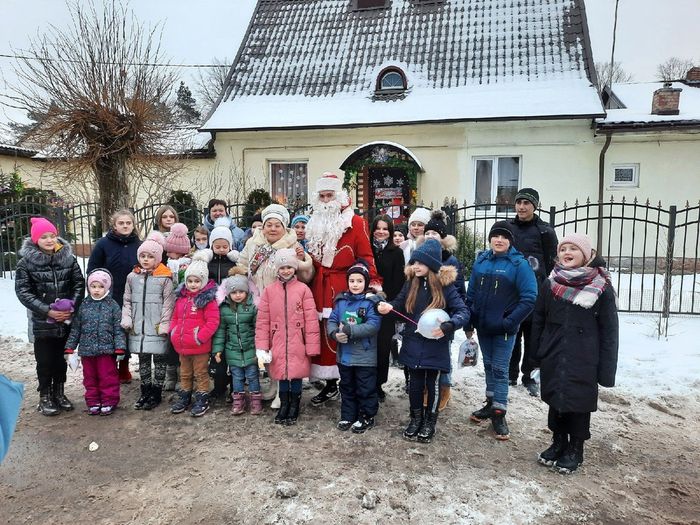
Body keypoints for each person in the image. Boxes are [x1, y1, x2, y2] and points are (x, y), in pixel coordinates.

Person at [530, 233, 618, 474]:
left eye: (574, 249)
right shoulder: (551, 283)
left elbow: (610, 331)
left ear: (588, 255)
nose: (567, 253)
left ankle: (575, 448)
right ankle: (558, 442)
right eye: (563, 249)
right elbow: (539, 319)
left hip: (585, 356)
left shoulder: (601, 287)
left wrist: (607, 370)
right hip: (555, 352)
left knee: (578, 402)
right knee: (556, 398)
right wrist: (536, 354)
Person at [378, 239, 469, 444]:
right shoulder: (411, 283)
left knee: (432, 383)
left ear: (431, 264)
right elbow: (399, 305)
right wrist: (388, 307)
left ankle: (429, 422)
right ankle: (416, 419)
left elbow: (463, 311)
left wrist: (448, 326)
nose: (415, 266)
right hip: (413, 340)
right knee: (415, 384)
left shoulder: (446, 286)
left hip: (436, 342)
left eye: (420, 263)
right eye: (414, 262)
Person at [305, 172, 381, 405]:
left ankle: (350, 382)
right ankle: (329, 383)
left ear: (339, 196)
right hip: (319, 285)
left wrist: (371, 283)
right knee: (323, 331)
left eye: (330, 195)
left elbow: (366, 256)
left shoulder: (355, 222)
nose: (326, 200)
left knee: (346, 330)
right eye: (323, 196)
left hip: (345, 287)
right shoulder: (313, 223)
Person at [229, 203, 313, 407]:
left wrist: (302, 261)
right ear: (263, 226)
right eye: (269, 224)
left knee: (283, 349)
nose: (273, 228)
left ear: (284, 227)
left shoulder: (292, 245)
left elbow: (306, 275)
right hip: (258, 302)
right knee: (265, 346)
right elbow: (242, 265)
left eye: (277, 225)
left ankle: (282, 391)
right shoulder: (252, 243)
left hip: (284, 305)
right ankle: (273, 384)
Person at [467, 222, 537, 440]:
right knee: (488, 366)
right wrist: (470, 319)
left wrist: (509, 322)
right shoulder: (482, 261)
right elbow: (471, 293)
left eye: (503, 237)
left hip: (504, 329)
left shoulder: (519, 265)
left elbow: (529, 298)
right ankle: (490, 404)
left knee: (500, 369)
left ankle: (499, 412)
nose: (499, 240)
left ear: (510, 241)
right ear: (490, 239)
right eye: (495, 236)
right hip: (483, 325)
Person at [15, 217, 85, 416]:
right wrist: (47, 310)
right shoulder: (25, 263)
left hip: (65, 319)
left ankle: (59, 392)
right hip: (43, 321)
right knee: (45, 360)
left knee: (61, 358)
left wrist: (71, 307)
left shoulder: (68, 259)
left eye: (52, 236)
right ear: (35, 239)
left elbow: (79, 284)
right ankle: (45, 395)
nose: (49, 240)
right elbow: (24, 292)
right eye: (44, 237)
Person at [255, 248, 320, 425]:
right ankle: (284, 404)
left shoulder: (303, 289)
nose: (286, 271)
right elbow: (262, 321)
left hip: (298, 340)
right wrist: (262, 346)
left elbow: (311, 320)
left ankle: (294, 405)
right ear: (277, 269)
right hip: (277, 341)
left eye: (289, 267)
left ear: (294, 268)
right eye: (282, 268)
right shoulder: (269, 291)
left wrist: (312, 345)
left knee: (296, 374)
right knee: (282, 375)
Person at [506, 188, 559, 396]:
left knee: (532, 335)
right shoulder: (508, 228)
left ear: (534, 206)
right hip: (511, 290)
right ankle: (510, 375)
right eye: (518, 202)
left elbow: (551, 260)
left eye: (526, 203)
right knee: (512, 332)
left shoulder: (545, 230)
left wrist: (537, 278)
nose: (521, 207)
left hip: (536, 291)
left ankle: (528, 376)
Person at [121, 231, 175, 411]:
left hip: (157, 326)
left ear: (158, 258)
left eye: (150, 257)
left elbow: (169, 304)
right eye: (142, 256)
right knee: (143, 360)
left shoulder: (164, 278)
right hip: (139, 326)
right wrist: (127, 318)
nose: (145, 259)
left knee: (159, 360)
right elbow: (127, 300)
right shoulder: (132, 277)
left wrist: (165, 324)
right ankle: (145, 391)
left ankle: (156, 392)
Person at [87, 208, 141, 384]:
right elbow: (93, 269)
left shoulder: (139, 244)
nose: (125, 226)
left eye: (128, 223)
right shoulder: (103, 244)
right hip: (110, 295)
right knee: (109, 332)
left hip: (133, 295)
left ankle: (124, 367)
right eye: (121, 223)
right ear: (114, 225)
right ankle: (110, 368)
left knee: (126, 331)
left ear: (133, 225)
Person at [327, 260, 382, 433]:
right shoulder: (341, 301)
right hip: (345, 355)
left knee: (365, 387)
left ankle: (366, 415)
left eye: (359, 281)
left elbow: (373, 325)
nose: (355, 284)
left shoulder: (371, 303)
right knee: (347, 386)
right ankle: (348, 415)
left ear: (365, 282)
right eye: (352, 281)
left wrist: (351, 330)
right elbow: (332, 320)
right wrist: (334, 333)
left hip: (364, 355)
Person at [422, 209, 468, 410]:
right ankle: (426, 388)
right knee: (424, 352)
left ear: (443, 238)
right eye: (428, 233)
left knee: (443, 353)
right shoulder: (419, 256)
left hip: (443, 316)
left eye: (435, 234)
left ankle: (445, 387)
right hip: (424, 315)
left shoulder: (450, 260)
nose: (431, 236)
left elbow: (459, 291)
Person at [64, 269, 125, 416]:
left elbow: (118, 329)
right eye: (93, 286)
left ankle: (109, 400)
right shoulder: (84, 305)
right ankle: (93, 401)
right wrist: (69, 347)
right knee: (90, 378)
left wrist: (120, 348)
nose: (97, 290)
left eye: (101, 287)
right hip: (87, 350)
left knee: (107, 376)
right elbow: (76, 329)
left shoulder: (112, 306)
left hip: (106, 350)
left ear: (107, 287)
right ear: (88, 287)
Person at [169, 251, 220, 417]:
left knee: (200, 373)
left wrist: (200, 337)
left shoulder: (206, 300)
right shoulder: (181, 299)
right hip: (182, 345)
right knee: (184, 373)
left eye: (197, 281)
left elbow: (212, 322)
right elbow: (175, 318)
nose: (192, 284)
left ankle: (202, 397)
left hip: (199, 347)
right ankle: (184, 396)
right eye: (190, 281)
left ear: (203, 282)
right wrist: (174, 332)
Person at [369, 215, 405, 401]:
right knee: (367, 346)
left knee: (382, 348)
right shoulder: (367, 250)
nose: (381, 232)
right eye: (378, 228)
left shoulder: (396, 253)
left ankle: (379, 385)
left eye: (385, 229)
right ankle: (366, 382)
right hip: (366, 305)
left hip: (386, 306)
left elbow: (399, 282)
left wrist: (391, 304)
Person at [213, 275, 261, 416]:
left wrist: (260, 347)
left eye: (241, 292)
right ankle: (238, 401)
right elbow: (220, 332)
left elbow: (258, 328)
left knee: (253, 376)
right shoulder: (224, 309)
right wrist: (218, 350)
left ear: (247, 292)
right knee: (237, 377)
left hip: (250, 348)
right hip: (232, 350)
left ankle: (255, 400)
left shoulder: (252, 307)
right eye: (234, 293)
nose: (238, 295)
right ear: (228, 294)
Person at [163, 223, 192, 391]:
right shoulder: (166, 265)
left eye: (171, 250)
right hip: (169, 309)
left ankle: (184, 375)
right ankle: (171, 373)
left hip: (184, 310)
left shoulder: (186, 266)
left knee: (182, 342)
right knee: (170, 342)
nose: (167, 253)